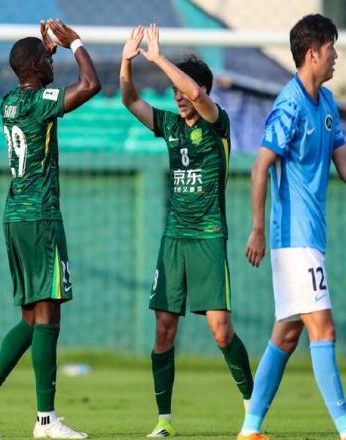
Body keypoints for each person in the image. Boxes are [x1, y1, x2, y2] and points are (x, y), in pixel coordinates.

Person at [0, 19, 100, 439]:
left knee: (30, 319)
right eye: (47, 60)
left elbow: (31, 75)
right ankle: (46, 421)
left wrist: (42, 54)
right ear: (36, 68)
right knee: (49, 312)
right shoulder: (41, 103)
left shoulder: (8, 102)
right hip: (41, 217)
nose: (52, 62)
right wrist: (75, 42)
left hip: (14, 217)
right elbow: (90, 84)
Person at [120, 24, 254, 437]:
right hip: (174, 239)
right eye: (174, 91)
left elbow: (196, 94)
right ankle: (164, 421)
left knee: (221, 331)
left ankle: (253, 410)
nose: (178, 96)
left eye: (182, 89)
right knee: (163, 330)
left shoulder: (217, 122)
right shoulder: (170, 125)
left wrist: (158, 57)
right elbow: (130, 100)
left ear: (203, 90)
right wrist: (126, 61)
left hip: (209, 237)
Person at [237, 14, 346, 440]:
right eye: (331, 48)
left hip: (311, 238)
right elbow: (260, 166)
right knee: (324, 328)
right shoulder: (290, 104)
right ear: (312, 53)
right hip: (293, 239)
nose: (336, 56)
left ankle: (250, 428)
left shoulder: (327, 104)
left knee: (286, 334)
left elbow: (343, 165)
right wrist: (257, 229)